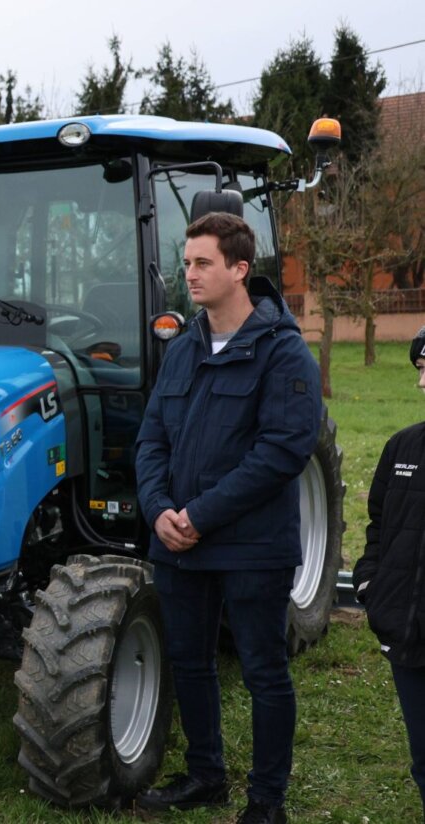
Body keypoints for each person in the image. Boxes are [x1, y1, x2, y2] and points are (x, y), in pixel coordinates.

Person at [134, 212, 321, 824]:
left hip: (251, 546)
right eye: (186, 262)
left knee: (264, 670)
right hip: (179, 542)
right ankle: (205, 776)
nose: (189, 274)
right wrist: (159, 509)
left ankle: (267, 801)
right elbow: (152, 438)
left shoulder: (283, 352)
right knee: (189, 662)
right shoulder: (183, 349)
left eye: (203, 263)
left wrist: (199, 514)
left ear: (240, 269)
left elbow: (282, 452)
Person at [353, 325, 425, 820]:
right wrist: (370, 585)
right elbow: (378, 526)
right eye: (420, 370)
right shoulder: (401, 449)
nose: (421, 383)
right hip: (406, 636)